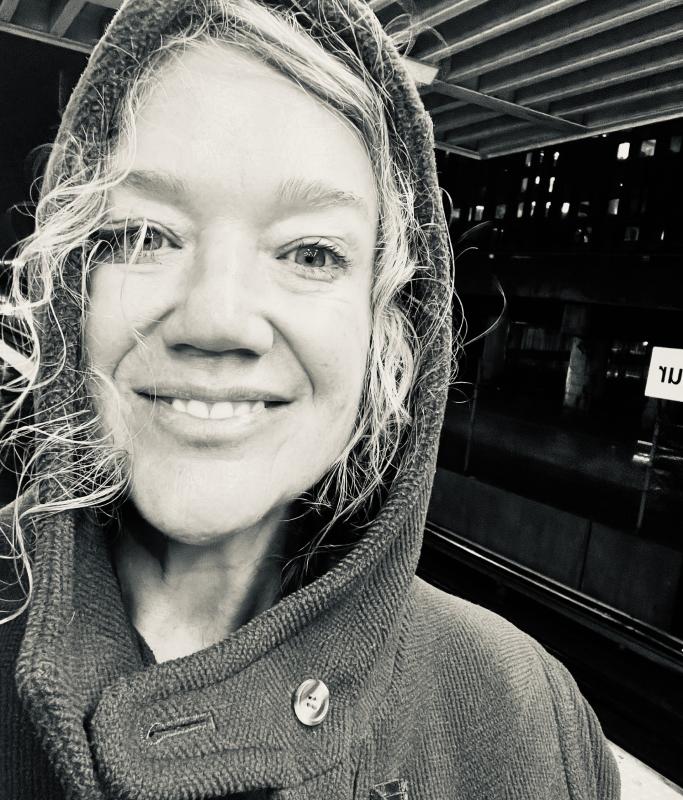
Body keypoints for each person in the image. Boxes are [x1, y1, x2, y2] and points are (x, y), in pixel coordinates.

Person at [0, 0, 620, 797]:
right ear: (71, 288)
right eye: (144, 236)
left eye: (312, 252)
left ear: (390, 326)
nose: (215, 318)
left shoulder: (528, 720)